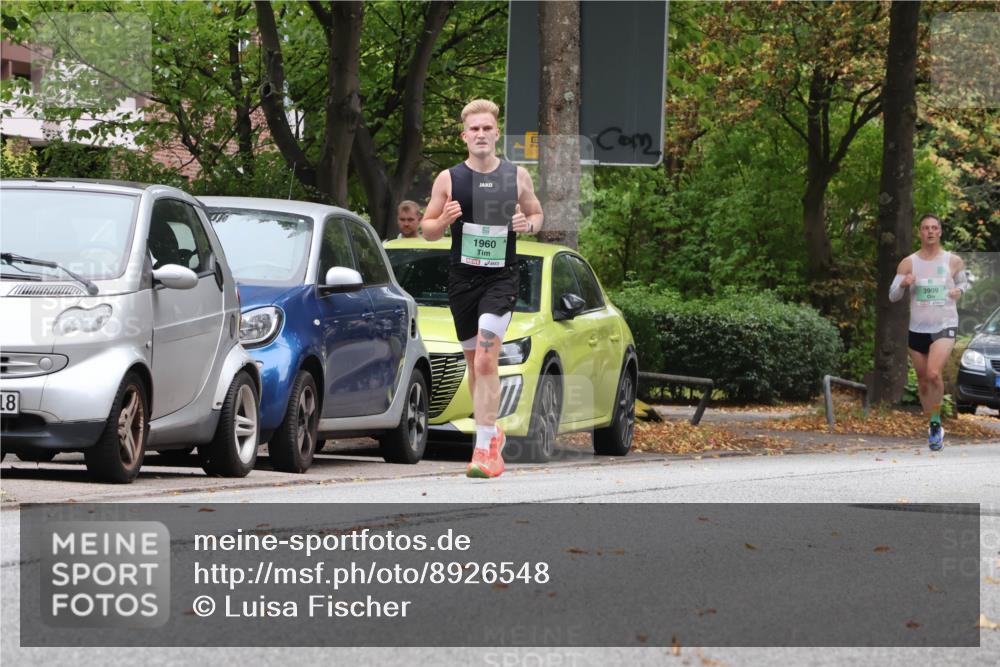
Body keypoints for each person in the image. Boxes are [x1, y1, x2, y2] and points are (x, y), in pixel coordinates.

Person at [420, 99, 543, 478]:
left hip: (500, 278)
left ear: (496, 133)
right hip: (462, 279)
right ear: (464, 137)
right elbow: (426, 230)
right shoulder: (449, 178)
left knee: (488, 359)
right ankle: (492, 431)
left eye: (487, 128)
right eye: (474, 129)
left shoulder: (517, 176)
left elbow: (537, 214)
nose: (481, 134)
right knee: (474, 364)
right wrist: (442, 219)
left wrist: (528, 224)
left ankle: (484, 448)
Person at [888, 214, 969, 451]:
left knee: (934, 374)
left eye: (935, 228)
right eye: (926, 228)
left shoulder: (953, 261)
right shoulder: (908, 263)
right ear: (920, 233)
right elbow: (892, 295)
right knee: (923, 382)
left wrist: (959, 292)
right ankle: (933, 424)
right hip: (918, 328)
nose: (930, 232)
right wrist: (903, 284)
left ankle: (935, 424)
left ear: (940, 232)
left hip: (945, 324)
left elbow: (963, 283)